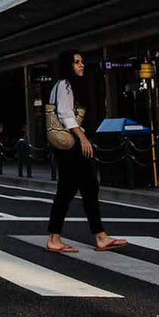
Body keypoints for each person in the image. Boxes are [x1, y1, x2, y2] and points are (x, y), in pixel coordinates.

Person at [46, 49, 128, 253]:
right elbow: (65, 115)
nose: (81, 65)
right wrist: (83, 139)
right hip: (71, 145)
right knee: (76, 188)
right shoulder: (65, 85)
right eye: (76, 62)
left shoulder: (65, 85)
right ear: (67, 66)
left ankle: (97, 235)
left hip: (68, 145)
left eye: (81, 61)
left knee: (82, 188)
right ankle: (61, 238)